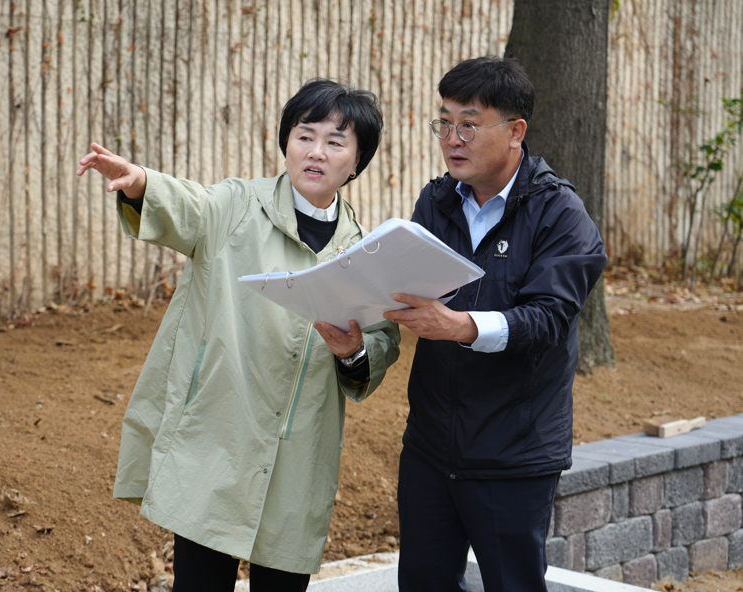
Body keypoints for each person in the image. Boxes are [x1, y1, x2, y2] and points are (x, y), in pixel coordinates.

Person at [76, 78, 400, 592]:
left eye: (336, 142)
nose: (316, 151)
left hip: (301, 449)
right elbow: (190, 206)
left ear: (356, 162)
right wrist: (141, 182)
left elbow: (382, 341)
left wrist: (354, 351)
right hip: (219, 434)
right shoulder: (238, 205)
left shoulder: (365, 251)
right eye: (304, 135)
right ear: (285, 142)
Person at [382, 56, 608, 592]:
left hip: (514, 454)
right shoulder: (436, 201)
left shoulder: (560, 214)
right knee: (422, 583)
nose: (452, 139)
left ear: (515, 132)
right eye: (444, 123)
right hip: (432, 448)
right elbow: (407, 288)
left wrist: (462, 326)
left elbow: (549, 318)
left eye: (469, 123)